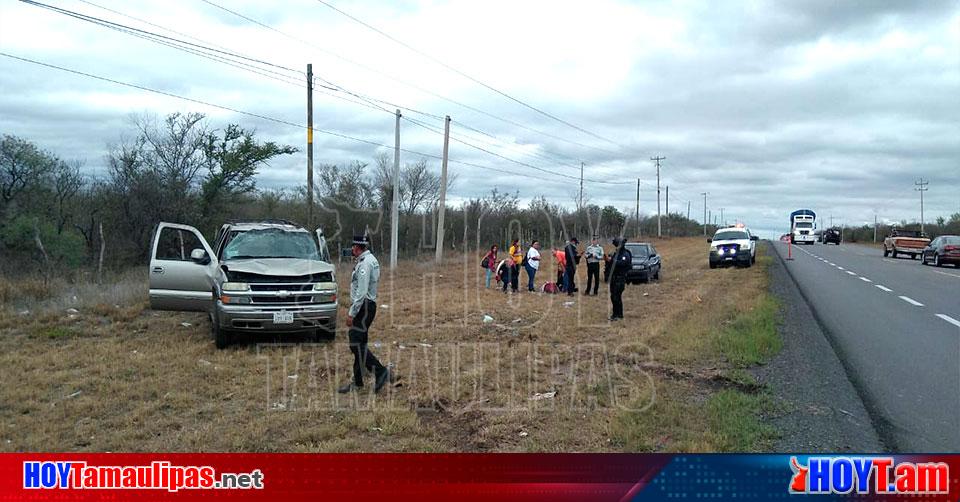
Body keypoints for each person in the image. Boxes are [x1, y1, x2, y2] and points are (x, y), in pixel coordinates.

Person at [338, 235, 391, 394]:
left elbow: (361, 293)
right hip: (369, 306)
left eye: (353, 247)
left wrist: (351, 313)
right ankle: (358, 381)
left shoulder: (364, 265)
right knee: (360, 345)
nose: (352, 249)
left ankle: (381, 372)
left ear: (358, 247)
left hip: (363, 307)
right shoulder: (371, 260)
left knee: (355, 344)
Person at [608, 237, 633, 321]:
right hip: (614, 278)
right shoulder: (616, 253)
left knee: (617, 297)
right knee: (613, 296)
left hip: (620, 278)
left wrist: (612, 260)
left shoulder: (625, 254)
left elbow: (622, 263)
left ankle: (619, 315)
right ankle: (615, 314)